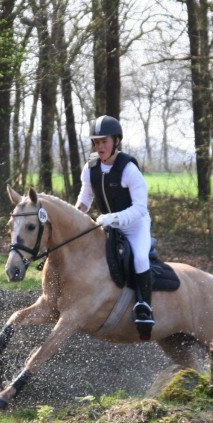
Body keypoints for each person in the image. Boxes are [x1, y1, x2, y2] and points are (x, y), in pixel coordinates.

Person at [75, 115, 155, 340]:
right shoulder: (90, 167)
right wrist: (75, 216)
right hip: (108, 225)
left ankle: (144, 307)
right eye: (97, 142)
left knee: (140, 258)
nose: (100, 146)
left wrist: (112, 218)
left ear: (116, 141)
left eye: (104, 141)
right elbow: (85, 199)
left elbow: (140, 208)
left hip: (135, 226)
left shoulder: (128, 168)